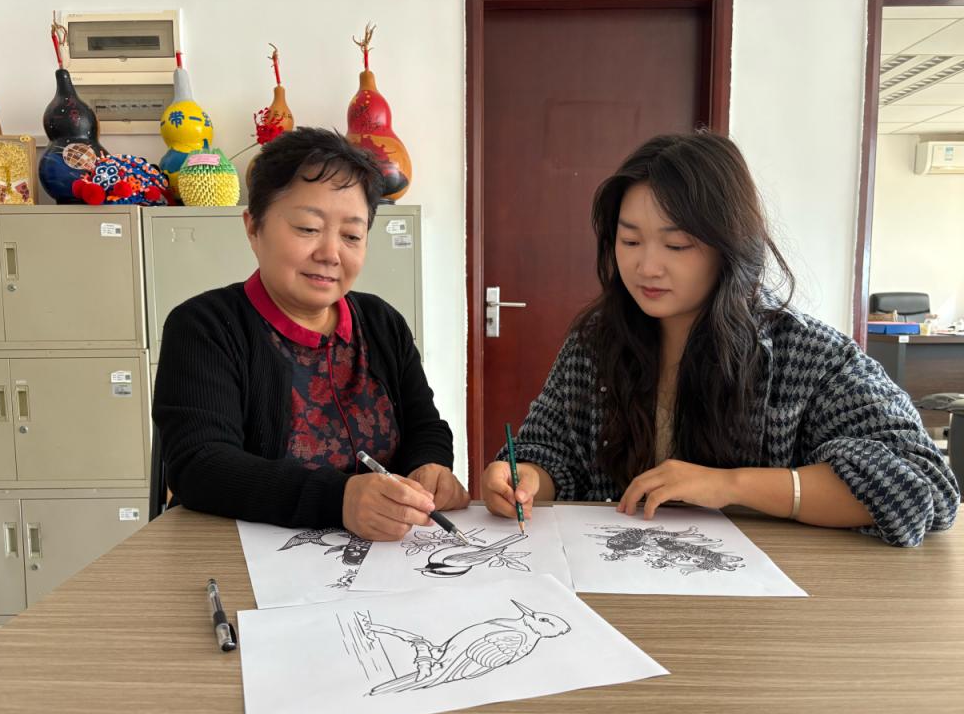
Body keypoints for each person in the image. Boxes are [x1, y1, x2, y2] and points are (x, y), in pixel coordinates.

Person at [482, 131, 958, 547]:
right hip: (613, 586)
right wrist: (523, 478)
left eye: (676, 245)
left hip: (757, 604)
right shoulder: (595, 344)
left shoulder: (809, 356)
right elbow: (547, 453)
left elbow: (925, 486)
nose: (647, 267)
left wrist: (731, 486)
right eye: (630, 242)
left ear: (729, 246)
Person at [154, 127, 468, 541]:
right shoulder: (205, 326)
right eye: (307, 228)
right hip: (244, 558)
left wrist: (430, 466)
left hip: (382, 558)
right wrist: (339, 499)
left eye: (352, 236)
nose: (330, 254)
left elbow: (425, 425)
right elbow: (200, 464)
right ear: (253, 227)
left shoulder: (382, 322)